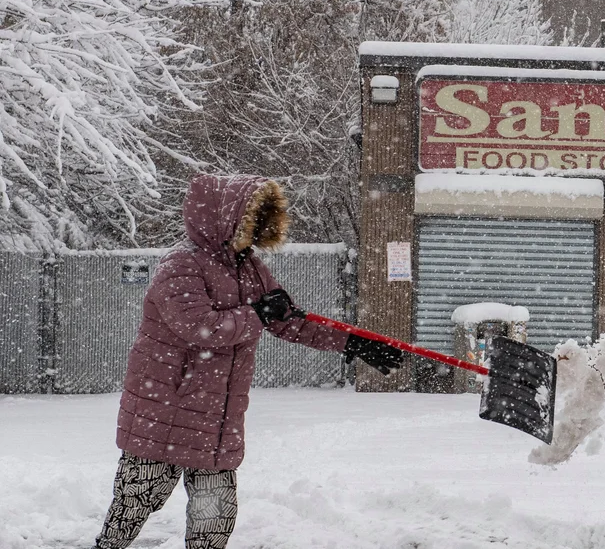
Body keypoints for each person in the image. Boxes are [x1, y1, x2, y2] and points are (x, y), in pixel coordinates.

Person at [94, 174, 407, 549]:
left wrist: (354, 343)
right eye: (250, 219)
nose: (257, 228)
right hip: (165, 409)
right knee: (136, 502)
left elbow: (288, 321)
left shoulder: (249, 267)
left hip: (219, 415)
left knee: (215, 516)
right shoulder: (180, 265)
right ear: (223, 218)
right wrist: (256, 313)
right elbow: (200, 327)